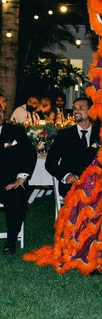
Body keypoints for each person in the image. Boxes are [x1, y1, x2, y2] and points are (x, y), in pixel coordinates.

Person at [46, 97, 101, 197]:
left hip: (96, 184)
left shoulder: (100, 134)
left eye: (80, 108)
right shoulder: (64, 135)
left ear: (91, 111)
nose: (76, 111)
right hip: (71, 186)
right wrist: (66, 176)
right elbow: (50, 162)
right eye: (74, 108)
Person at [0, 107, 37, 254]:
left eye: (0, 111)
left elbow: (29, 153)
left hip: (11, 181)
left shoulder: (15, 131)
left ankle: (11, 241)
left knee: (17, 197)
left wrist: (22, 177)